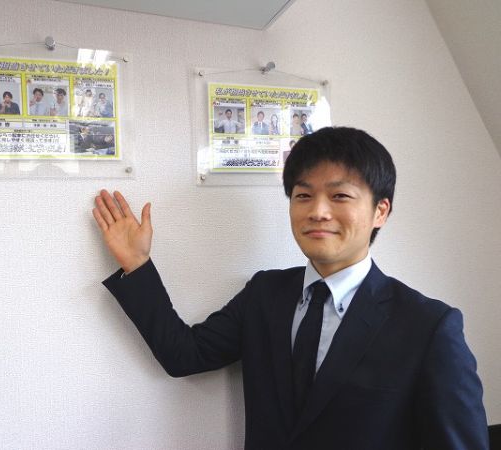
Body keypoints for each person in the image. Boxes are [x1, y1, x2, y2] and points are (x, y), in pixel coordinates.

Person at [92, 127, 488, 450]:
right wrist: (137, 264)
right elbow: (184, 355)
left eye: (339, 195)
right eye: (303, 195)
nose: (318, 211)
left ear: (380, 211)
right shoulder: (266, 293)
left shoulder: (428, 326)